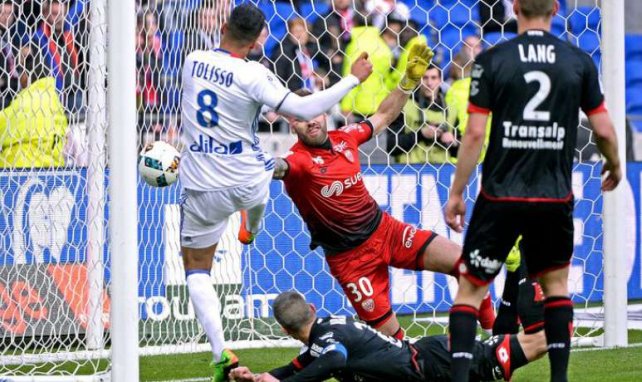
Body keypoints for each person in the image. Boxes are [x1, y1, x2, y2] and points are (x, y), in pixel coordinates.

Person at [179, 4, 373, 381]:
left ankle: (220, 352)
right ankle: (250, 226)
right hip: (250, 180)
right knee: (258, 184)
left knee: (197, 270)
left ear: (223, 27)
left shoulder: (191, 60)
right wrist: (352, 79)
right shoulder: (254, 74)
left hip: (202, 183)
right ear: (256, 42)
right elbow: (303, 106)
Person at [444, 1, 621, 381]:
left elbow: (474, 134)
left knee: (471, 290)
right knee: (556, 290)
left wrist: (457, 193)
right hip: (553, 195)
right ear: (555, 9)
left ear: (516, 7)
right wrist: (615, 163)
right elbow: (604, 131)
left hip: (500, 195)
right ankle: (559, 378)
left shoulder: (494, 60)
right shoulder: (578, 61)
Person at [270, 43, 495, 339]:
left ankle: (495, 337)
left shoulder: (346, 137)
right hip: (350, 261)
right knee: (396, 347)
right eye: (300, 118)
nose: (310, 121)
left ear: (324, 112)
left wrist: (407, 83)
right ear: (290, 123)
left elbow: (385, 116)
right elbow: (275, 167)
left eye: (314, 113)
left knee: (465, 264)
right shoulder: (298, 162)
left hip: (386, 231)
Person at [229, 289, 547, 382]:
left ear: (284, 330)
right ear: (312, 307)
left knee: (533, 345)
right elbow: (299, 366)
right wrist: (260, 377)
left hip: (435, 365)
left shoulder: (329, 344)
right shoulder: (325, 333)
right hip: (429, 359)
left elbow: (333, 359)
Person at [0, 43, 67, 168]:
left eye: (21, 71)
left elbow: (3, 125)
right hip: (53, 171)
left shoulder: (29, 101)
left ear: (26, 75)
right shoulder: (54, 100)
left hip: (20, 173)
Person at [386, 64, 457, 164]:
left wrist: (453, 142)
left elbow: (458, 152)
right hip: (411, 171)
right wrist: (420, 134)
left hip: (442, 171)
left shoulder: (451, 110)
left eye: (433, 78)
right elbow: (392, 147)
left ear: (440, 80)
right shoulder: (404, 107)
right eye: (425, 78)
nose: (429, 83)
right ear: (419, 80)